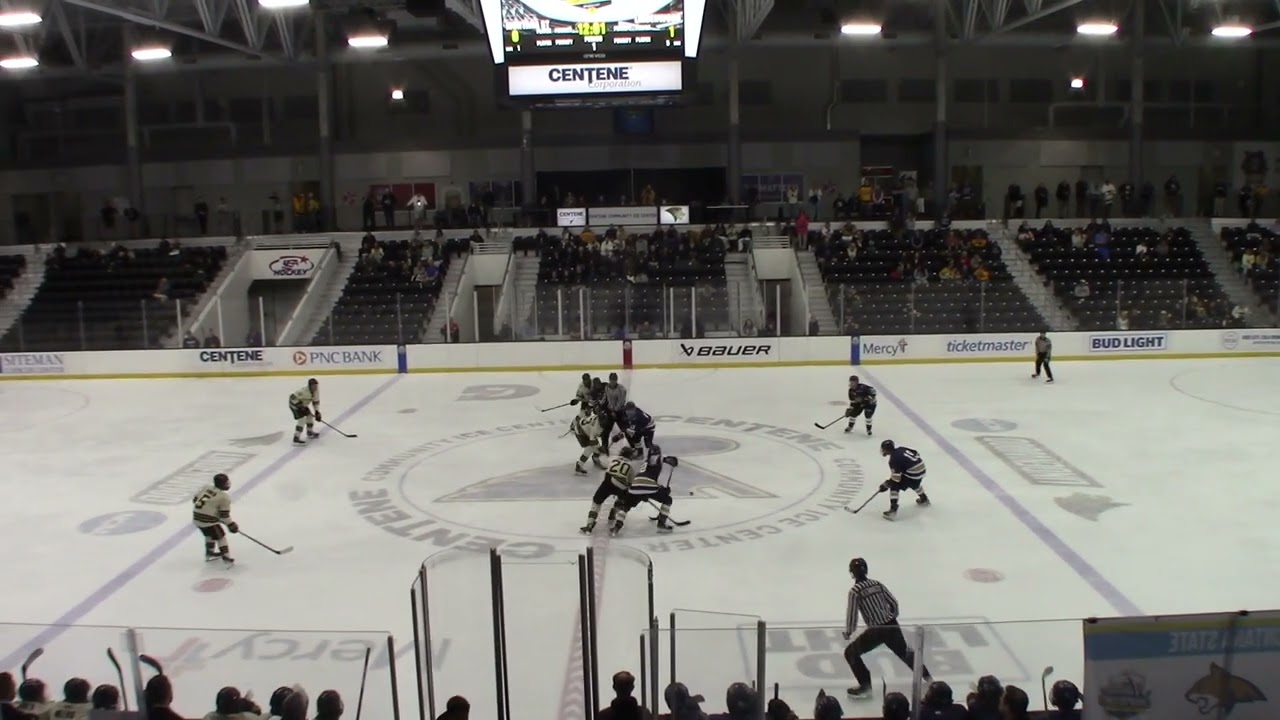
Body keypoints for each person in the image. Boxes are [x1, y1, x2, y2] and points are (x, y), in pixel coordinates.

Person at [841, 557, 931, 700]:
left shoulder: (855, 591)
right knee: (904, 652)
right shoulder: (877, 584)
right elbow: (894, 603)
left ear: (852, 573)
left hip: (876, 630)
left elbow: (852, 615)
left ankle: (865, 686)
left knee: (850, 652)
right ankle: (928, 678)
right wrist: (891, 618)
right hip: (891, 625)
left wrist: (848, 632)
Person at [878, 441, 931, 520]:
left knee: (894, 486)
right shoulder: (901, 449)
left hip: (913, 473)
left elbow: (896, 479)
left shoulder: (893, 460)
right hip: (921, 469)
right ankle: (924, 499)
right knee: (913, 482)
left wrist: (887, 484)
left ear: (886, 450)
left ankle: (893, 510)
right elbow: (916, 453)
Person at [193, 473, 238, 564]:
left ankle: (209, 553)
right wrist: (231, 524)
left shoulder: (206, 487)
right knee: (221, 537)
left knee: (209, 535)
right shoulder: (224, 497)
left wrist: (211, 511)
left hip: (196, 518)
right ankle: (226, 557)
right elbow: (224, 516)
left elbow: (195, 500)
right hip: (208, 521)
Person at [571, 405, 607, 475]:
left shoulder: (598, 419)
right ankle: (579, 465)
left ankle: (595, 458)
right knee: (589, 449)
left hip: (585, 429)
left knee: (596, 448)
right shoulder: (596, 428)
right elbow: (592, 441)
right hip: (581, 432)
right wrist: (600, 448)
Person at [289, 378, 322, 445]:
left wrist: (317, 412)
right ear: (309, 386)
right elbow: (292, 397)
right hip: (294, 406)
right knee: (302, 420)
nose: (315, 387)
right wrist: (299, 405)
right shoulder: (303, 391)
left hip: (303, 405)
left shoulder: (316, 392)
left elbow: (315, 402)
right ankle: (296, 438)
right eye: (313, 386)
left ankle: (309, 432)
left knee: (310, 416)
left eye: (316, 385)